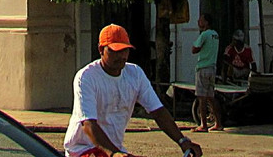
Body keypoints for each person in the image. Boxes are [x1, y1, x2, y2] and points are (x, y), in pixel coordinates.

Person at [64, 24, 202, 157]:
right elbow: (88, 124)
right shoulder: (86, 77)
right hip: (83, 150)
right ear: (101, 49)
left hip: (115, 150)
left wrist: (182, 141)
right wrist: (114, 154)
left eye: (125, 50)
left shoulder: (135, 74)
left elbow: (158, 111)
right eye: (115, 51)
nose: (121, 56)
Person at [190, 14, 221, 132]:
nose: (199, 22)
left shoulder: (204, 35)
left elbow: (194, 49)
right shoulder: (215, 35)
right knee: (211, 97)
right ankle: (219, 122)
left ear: (206, 22)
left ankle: (203, 125)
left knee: (201, 98)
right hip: (212, 67)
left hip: (203, 67)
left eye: (201, 20)